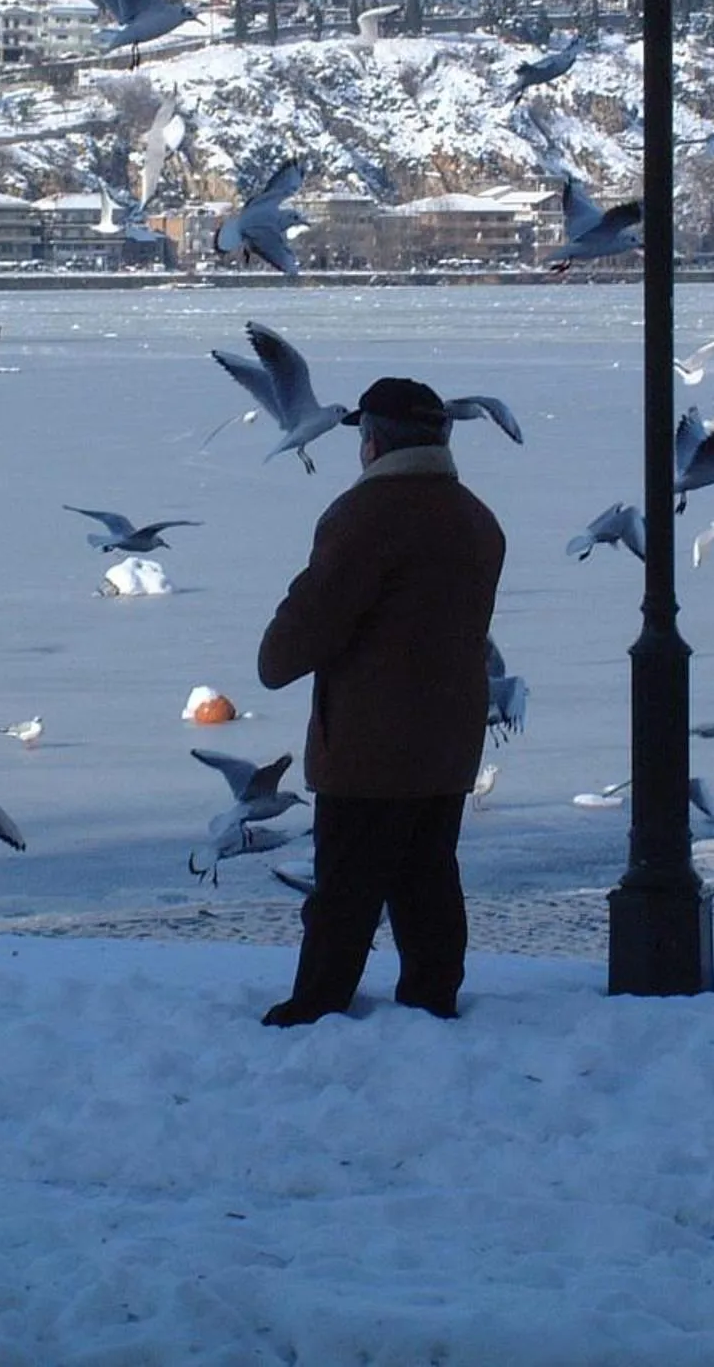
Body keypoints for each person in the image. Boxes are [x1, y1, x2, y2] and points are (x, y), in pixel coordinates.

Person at [256, 376, 506, 1026]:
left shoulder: (365, 516)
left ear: (372, 443)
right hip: (449, 738)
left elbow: (312, 624)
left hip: (370, 742)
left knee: (346, 886)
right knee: (428, 879)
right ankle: (432, 999)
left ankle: (318, 1005)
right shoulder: (477, 519)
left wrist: (277, 651)